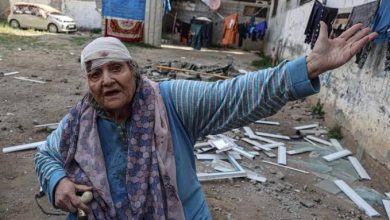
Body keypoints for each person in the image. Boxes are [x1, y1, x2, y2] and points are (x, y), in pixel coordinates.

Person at [35, 21, 377, 219]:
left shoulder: (170, 101)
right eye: (95, 73)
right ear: (87, 82)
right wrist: (57, 183)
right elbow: (45, 155)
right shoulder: (79, 121)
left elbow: (237, 95)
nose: (106, 80)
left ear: (133, 71)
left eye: (116, 68)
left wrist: (308, 67)